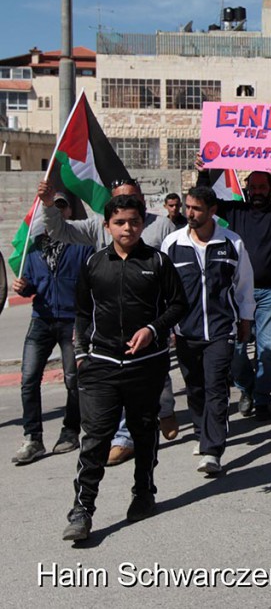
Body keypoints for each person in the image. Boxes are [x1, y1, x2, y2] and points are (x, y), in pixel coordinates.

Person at [62, 195, 188, 542]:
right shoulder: (94, 264)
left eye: (133, 221)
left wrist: (153, 330)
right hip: (101, 364)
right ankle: (82, 509)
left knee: (144, 432)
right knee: (97, 438)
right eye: (120, 222)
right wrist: (82, 351)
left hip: (145, 365)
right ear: (107, 226)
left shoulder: (158, 262)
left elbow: (179, 305)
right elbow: (84, 311)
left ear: (142, 224)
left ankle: (144, 492)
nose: (127, 228)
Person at [37, 176, 179, 465]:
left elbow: (173, 281)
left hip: (150, 325)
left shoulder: (161, 226)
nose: (127, 225)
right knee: (121, 388)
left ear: (141, 200)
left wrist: (163, 325)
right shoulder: (96, 230)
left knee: (159, 382)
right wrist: (49, 205)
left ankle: (164, 412)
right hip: (112, 329)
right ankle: (123, 438)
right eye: (118, 203)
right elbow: (60, 230)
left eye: (131, 200)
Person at [161, 187, 254, 474]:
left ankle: (213, 450)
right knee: (196, 387)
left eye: (197, 208)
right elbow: (164, 290)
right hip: (185, 330)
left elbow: (244, 286)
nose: (189, 213)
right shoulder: (172, 244)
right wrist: (166, 326)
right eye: (188, 207)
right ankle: (202, 432)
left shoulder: (232, 243)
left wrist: (245, 321)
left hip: (221, 328)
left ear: (212, 211)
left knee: (216, 386)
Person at [198, 164, 271, 421]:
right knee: (237, 351)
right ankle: (245, 389)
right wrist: (203, 171)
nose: (257, 192)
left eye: (263, 187)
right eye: (253, 187)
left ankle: (262, 398)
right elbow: (204, 200)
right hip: (240, 294)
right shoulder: (235, 211)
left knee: (267, 349)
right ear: (246, 188)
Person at [10, 194, 93, 464]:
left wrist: (85, 319)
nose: (56, 211)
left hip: (72, 319)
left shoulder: (81, 243)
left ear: (68, 211)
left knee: (73, 379)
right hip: (41, 319)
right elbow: (33, 283)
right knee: (29, 378)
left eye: (61, 206)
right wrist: (25, 287)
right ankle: (33, 438)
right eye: (51, 207)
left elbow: (91, 281)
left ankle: (70, 432)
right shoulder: (33, 248)